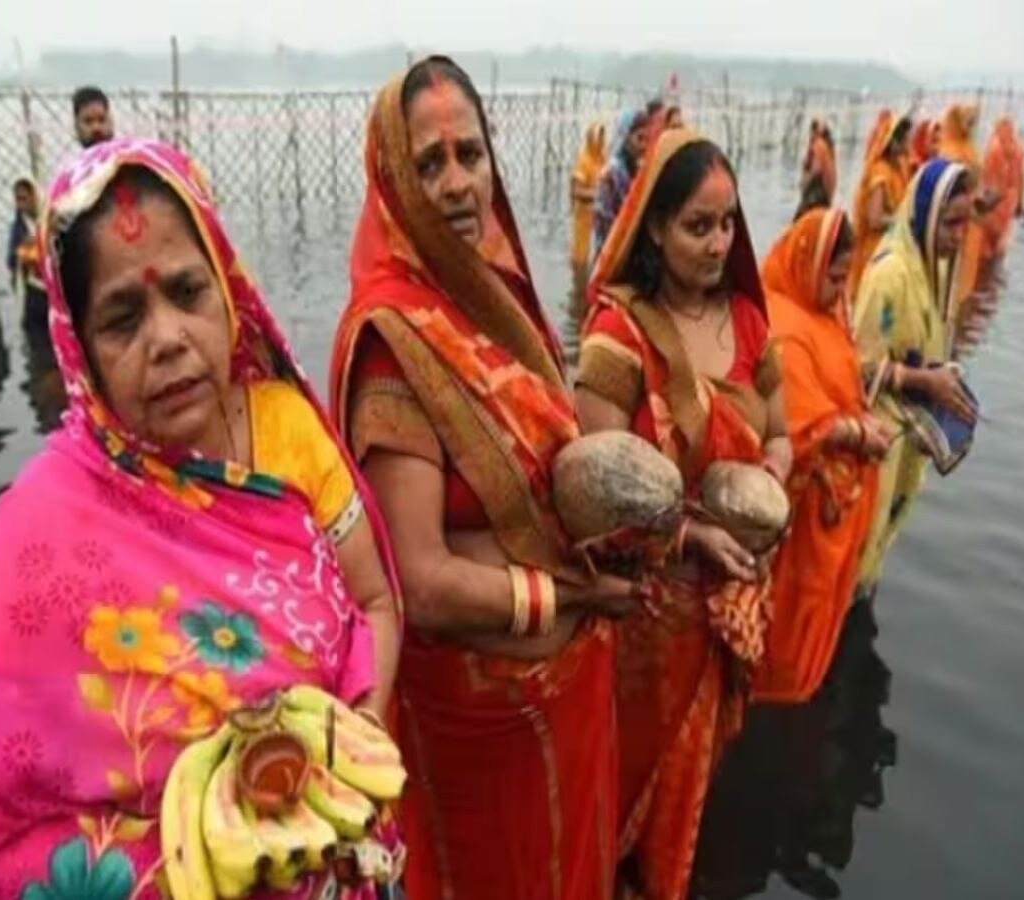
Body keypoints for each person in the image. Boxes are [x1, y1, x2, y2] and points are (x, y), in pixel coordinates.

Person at [0, 138, 402, 898]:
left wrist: (355, 748)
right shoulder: (37, 541)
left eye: (188, 293)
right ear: (79, 348)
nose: (168, 339)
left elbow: (376, 603)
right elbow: (2, 830)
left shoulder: (288, 431)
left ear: (229, 291)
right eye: (123, 319)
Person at [328, 56, 636, 900]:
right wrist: (569, 599)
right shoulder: (393, 339)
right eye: (430, 162)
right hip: (478, 728)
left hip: (564, 689)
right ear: (391, 180)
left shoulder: (497, 297)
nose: (459, 183)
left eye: (471, 153)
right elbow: (418, 584)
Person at [577, 130, 792, 900]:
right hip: (642, 614)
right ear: (655, 228)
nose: (717, 241)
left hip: (724, 601)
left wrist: (768, 484)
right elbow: (596, 487)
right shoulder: (619, 335)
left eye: (728, 223)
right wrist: (695, 531)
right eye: (698, 226)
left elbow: (780, 434)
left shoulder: (750, 322)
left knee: (691, 779)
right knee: (619, 782)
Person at [754, 207, 891, 704]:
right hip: (801, 511)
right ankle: (778, 693)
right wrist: (857, 431)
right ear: (807, 264)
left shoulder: (823, 314)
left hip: (831, 508)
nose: (841, 289)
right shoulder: (786, 328)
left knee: (813, 616)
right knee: (790, 619)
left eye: (843, 277)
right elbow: (800, 424)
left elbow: (841, 386)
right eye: (833, 277)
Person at [852, 158, 977, 598]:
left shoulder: (933, 267)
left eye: (965, 222)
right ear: (925, 216)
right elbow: (859, 368)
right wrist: (926, 383)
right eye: (949, 223)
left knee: (880, 545)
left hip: (907, 435)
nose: (958, 236)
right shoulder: (890, 273)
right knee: (859, 550)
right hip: (877, 440)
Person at [847, 111, 911, 302]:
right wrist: (903, 221)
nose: (910, 142)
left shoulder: (898, 169)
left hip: (890, 247)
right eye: (906, 139)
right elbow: (874, 219)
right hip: (875, 251)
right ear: (894, 143)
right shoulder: (880, 173)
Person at [938, 104, 995, 313]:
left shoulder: (968, 148)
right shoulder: (949, 151)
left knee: (962, 278)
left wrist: (983, 200)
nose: (970, 127)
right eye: (967, 121)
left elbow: (974, 183)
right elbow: (948, 193)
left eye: (973, 123)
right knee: (948, 275)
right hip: (956, 219)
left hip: (970, 220)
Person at [594, 108, 651, 254]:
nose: (644, 146)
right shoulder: (610, 174)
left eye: (647, 140)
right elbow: (604, 224)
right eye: (639, 138)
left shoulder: (640, 171)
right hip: (611, 253)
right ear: (625, 138)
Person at [978, 117, 1024, 287]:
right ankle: (994, 283)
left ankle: (984, 284)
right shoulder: (1018, 148)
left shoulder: (993, 148)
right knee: (1000, 249)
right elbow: (1021, 177)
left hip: (993, 205)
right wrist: (1020, 202)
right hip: (1009, 203)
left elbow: (986, 179)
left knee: (985, 251)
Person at [6, 177, 49, 330]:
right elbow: (11, 260)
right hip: (35, 291)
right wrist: (22, 252)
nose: (20, 204)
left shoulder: (52, 219)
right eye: (17, 199)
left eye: (24, 198)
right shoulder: (18, 229)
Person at [570, 122, 607, 280]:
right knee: (581, 254)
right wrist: (596, 194)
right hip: (584, 210)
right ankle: (578, 278)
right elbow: (577, 190)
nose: (600, 141)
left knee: (600, 249)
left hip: (598, 211)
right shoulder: (584, 160)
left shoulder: (602, 158)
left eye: (602, 137)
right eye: (598, 137)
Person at [796, 119, 838, 217]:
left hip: (816, 196)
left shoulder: (818, 145)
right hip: (825, 198)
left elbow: (816, 169)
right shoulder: (828, 149)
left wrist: (805, 180)